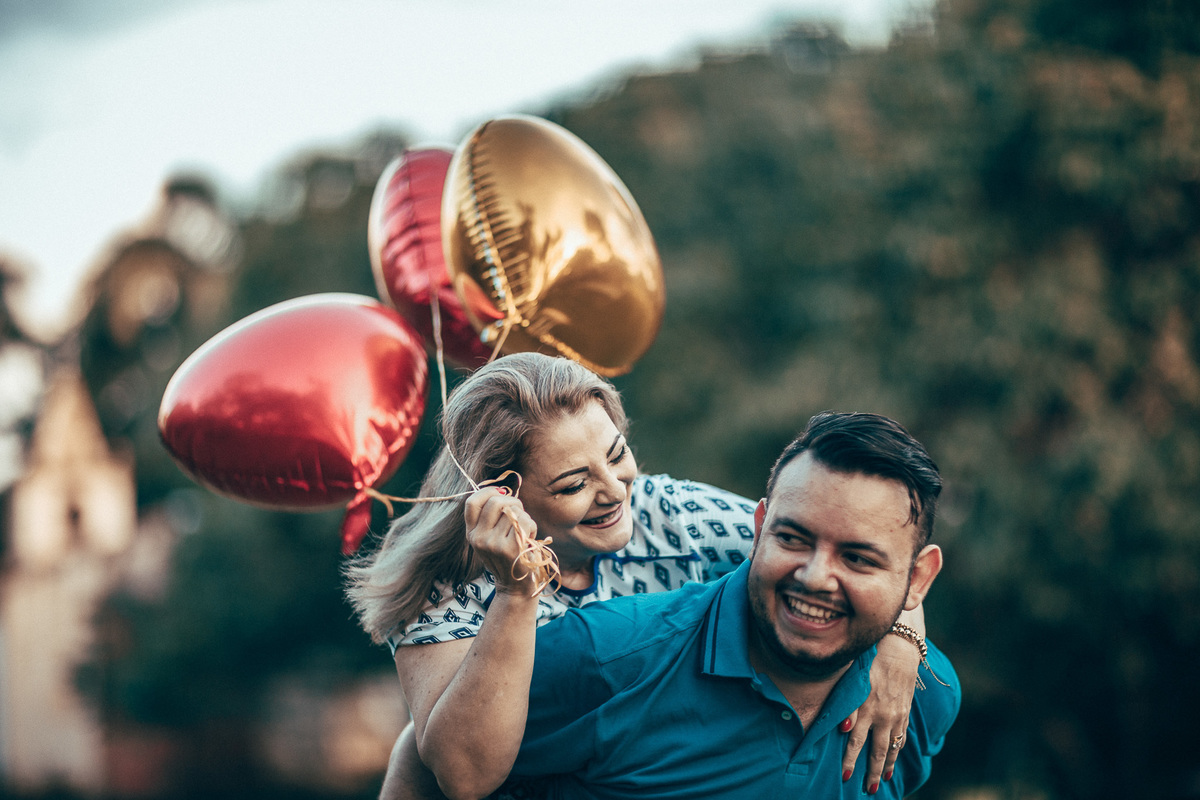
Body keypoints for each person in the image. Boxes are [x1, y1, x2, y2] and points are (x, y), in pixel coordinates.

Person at [345, 354, 931, 800]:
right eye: (574, 484)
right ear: (502, 498)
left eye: (617, 453)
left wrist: (902, 643)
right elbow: (463, 772)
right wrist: (516, 591)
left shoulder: (669, 513)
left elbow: (834, 551)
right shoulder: (441, 585)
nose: (616, 490)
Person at [496, 411, 959, 799]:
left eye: (857, 558)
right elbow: (438, 772)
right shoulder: (600, 656)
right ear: (758, 528)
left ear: (918, 578)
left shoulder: (923, 697)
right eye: (792, 538)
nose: (816, 577)